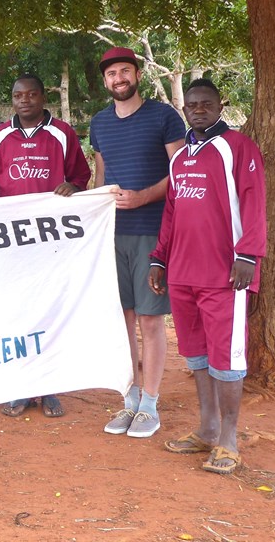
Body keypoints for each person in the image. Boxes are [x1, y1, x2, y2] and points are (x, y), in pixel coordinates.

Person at [149, 79, 266, 475]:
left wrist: (248, 254)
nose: (198, 110)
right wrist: (159, 259)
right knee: (197, 354)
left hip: (225, 275)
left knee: (227, 358)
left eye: (206, 103)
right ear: (184, 110)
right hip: (183, 273)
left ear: (220, 106)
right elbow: (171, 212)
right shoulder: (180, 156)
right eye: (192, 105)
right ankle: (207, 429)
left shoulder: (238, 147)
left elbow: (254, 201)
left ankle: (229, 441)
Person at [0, 73, 92, 419]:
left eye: (31, 94)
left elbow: (80, 176)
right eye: (18, 95)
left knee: (48, 310)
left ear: (42, 97)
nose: (24, 100)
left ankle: (49, 386)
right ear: (13, 100)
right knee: (16, 310)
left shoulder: (62, 133)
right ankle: (21, 385)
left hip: (50, 240)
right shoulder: (0, 136)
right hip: (11, 241)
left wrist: (73, 186)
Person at [90, 47, 186, 438]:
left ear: (137, 74)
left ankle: (150, 405)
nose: (119, 79)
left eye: (124, 71)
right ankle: (129, 401)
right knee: (123, 320)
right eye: (111, 74)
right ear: (105, 80)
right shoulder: (99, 122)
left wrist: (143, 196)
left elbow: (181, 173)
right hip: (112, 234)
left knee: (150, 319)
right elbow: (101, 178)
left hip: (152, 232)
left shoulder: (164, 117)